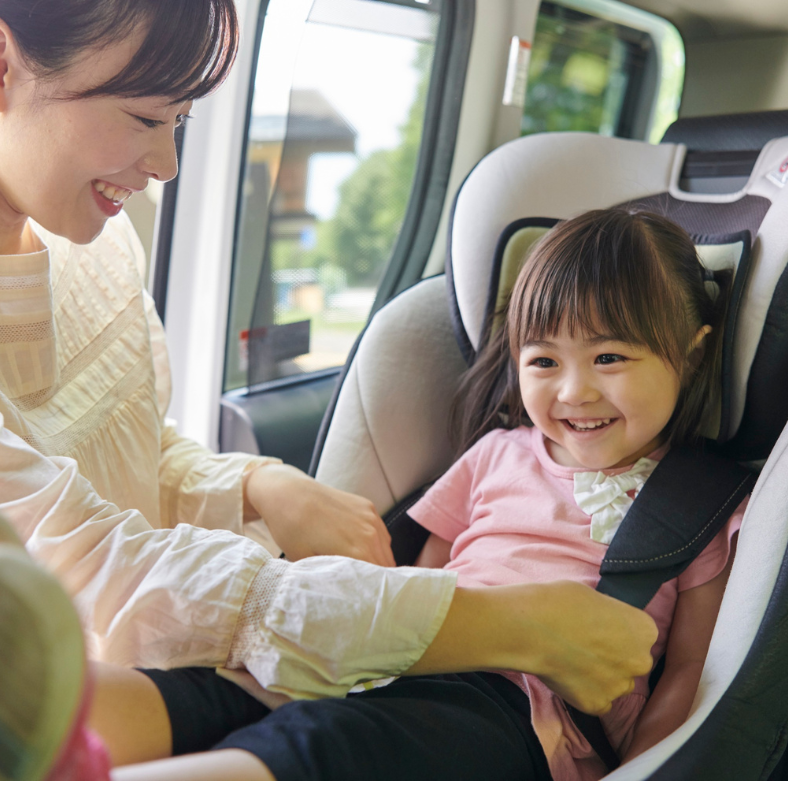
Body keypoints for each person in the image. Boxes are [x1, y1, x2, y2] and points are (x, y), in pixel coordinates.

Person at [0, 0, 658, 772]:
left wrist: (261, 483)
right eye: (146, 117)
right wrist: (511, 625)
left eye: (178, 121)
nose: (167, 165)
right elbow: (88, 559)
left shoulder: (97, 259)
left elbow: (128, 449)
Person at [110, 208, 746, 781]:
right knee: (220, 688)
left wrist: (643, 770)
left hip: (524, 712)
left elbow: (690, 669)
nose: (573, 391)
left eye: (609, 358)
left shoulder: (704, 508)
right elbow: (427, 580)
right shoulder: (498, 453)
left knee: (332, 745)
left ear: (692, 355)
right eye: (544, 362)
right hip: (418, 651)